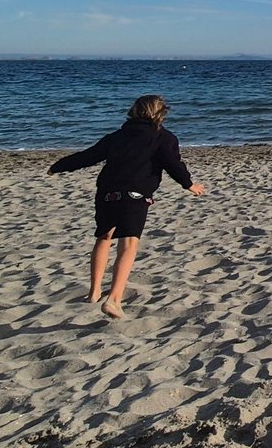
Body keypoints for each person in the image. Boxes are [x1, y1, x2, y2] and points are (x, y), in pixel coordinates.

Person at [48, 94, 205, 319]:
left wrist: (58, 166)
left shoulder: (116, 137)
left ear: (134, 111)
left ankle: (93, 292)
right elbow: (173, 164)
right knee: (129, 243)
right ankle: (113, 299)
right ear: (160, 114)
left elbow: (88, 156)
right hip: (135, 194)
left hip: (106, 193)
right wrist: (189, 185)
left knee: (104, 237)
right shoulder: (164, 138)